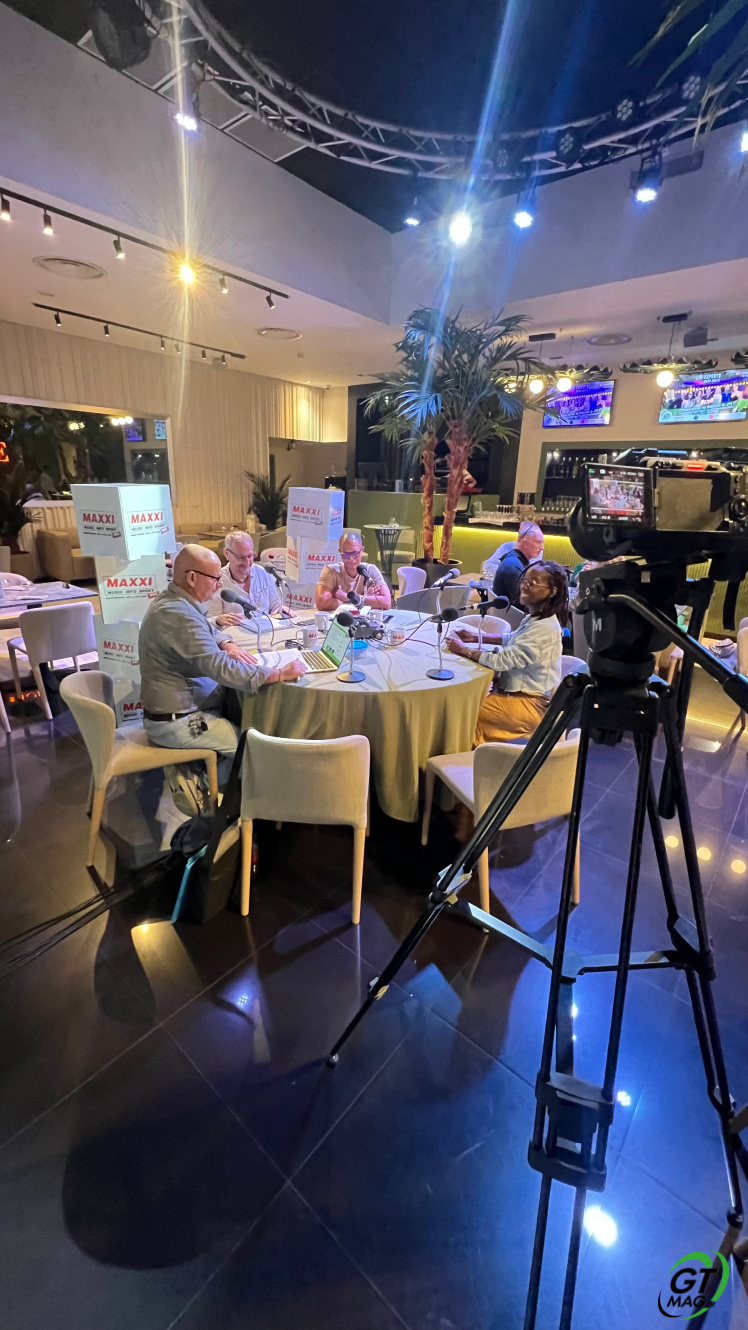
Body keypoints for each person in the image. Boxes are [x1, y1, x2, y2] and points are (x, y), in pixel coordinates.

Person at [139, 544, 305, 783]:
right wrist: (277, 674)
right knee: (255, 752)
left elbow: (206, 629)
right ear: (192, 578)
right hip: (179, 721)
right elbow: (220, 668)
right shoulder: (177, 614)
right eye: (215, 578)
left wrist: (227, 643)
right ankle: (205, 792)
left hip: (183, 711)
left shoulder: (175, 601)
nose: (218, 585)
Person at [448, 560, 568, 744]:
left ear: (552, 591)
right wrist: (477, 637)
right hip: (517, 695)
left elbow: (503, 661)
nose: (524, 586)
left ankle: (461, 756)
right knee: (466, 703)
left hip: (531, 705)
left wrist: (464, 650)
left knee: (463, 711)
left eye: (533, 582)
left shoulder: (544, 628)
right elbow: (514, 638)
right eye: (524, 580)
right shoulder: (538, 618)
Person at [206, 530, 283, 627]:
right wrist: (217, 621)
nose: (247, 562)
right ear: (226, 554)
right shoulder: (216, 582)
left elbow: (276, 605)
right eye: (240, 557)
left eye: (250, 556)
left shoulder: (264, 573)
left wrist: (278, 611)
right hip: (234, 634)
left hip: (267, 631)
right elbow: (209, 623)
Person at [315, 530, 392, 611]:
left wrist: (347, 597)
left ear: (362, 550)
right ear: (340, 552)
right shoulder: (331, 571)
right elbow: (321, 603)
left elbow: (386, 602)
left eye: (355, 553)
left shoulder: (370, 570)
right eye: (346, 555)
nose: (351, 559)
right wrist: (364, 600)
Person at [492, 520, 544, 607]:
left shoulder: (516, 561)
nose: (542, 547)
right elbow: (525, 604)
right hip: (512, 614)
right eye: (538, 542)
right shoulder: (512, 567)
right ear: (525, 544)